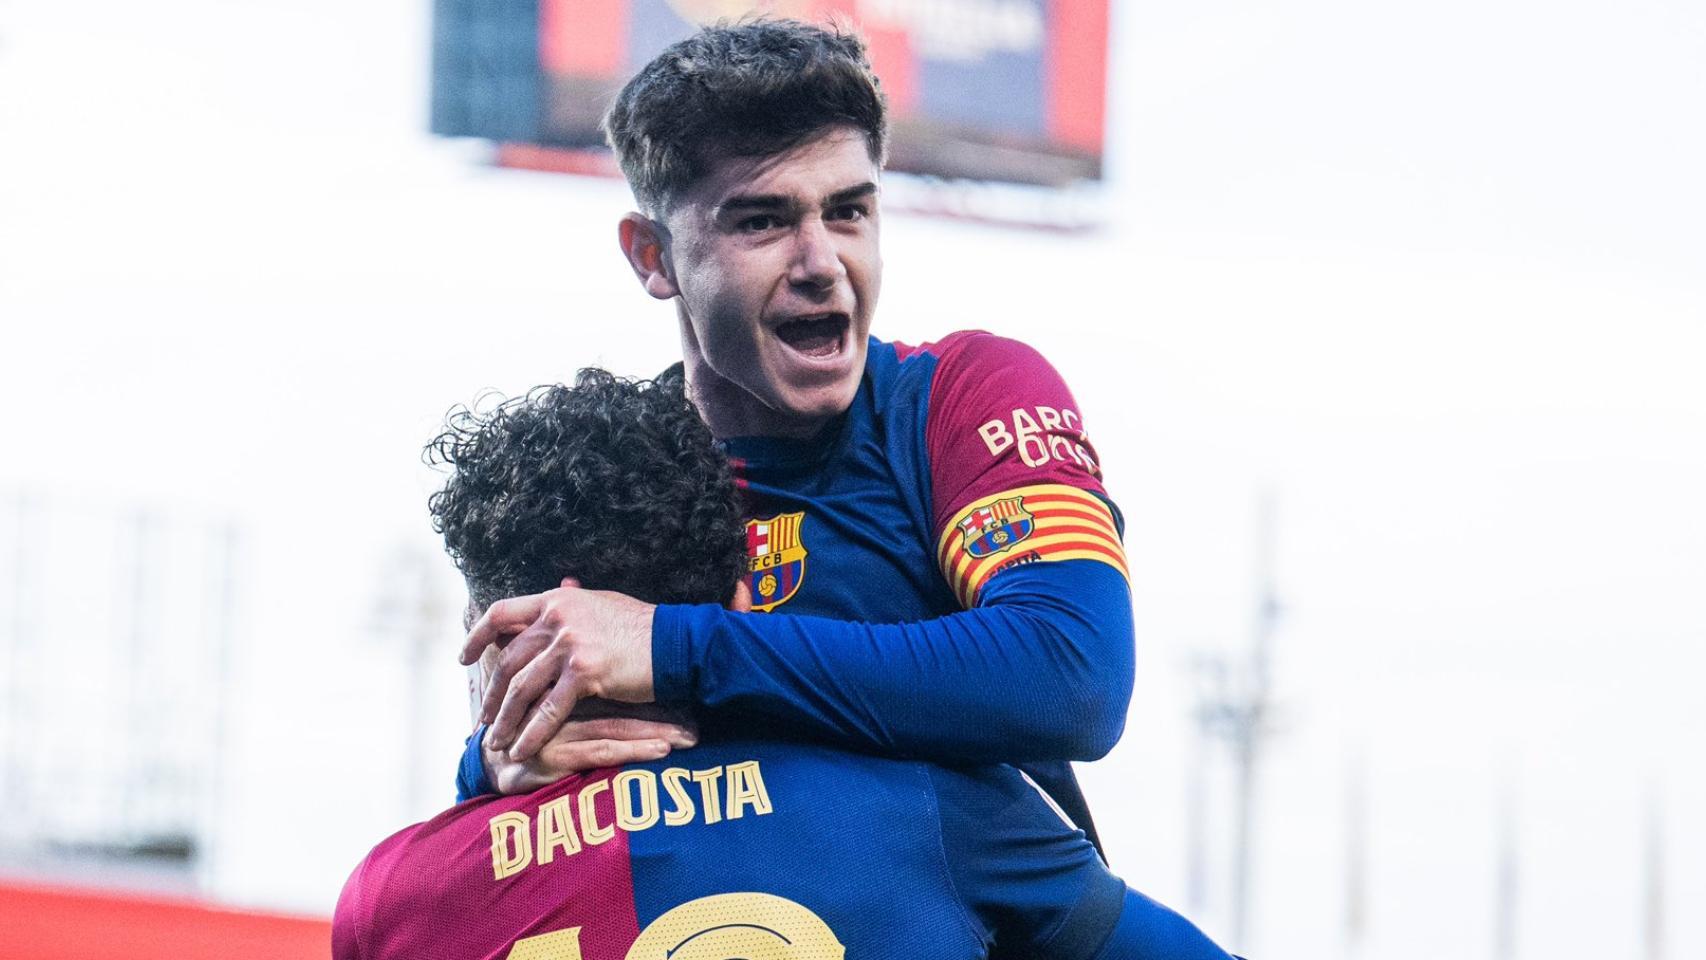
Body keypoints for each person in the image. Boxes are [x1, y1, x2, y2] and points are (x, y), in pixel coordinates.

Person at [457, 18, 1134, 853]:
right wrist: (493, 766)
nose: (820, 261)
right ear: (653, 258)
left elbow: (1070, 678)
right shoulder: (598, 477)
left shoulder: (964, 396)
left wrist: (670, 648)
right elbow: (515, 799)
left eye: (848, 212)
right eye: (762, 222)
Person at [333, 371, 1233, 959]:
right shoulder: (934, 813)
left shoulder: (391, 900)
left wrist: (484, 785)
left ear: (499, 638)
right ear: (742, 595)